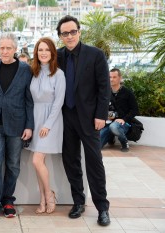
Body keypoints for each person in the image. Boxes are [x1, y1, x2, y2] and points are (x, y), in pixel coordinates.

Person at [56, 15, 111, 226]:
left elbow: (104, 88)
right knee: (71, 161)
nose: (69, 36)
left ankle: (102, 208)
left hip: (89, 119)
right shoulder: (57, 56)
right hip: (65, 117)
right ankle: (78, 202)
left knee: (94, 162)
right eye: (64, 33)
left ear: (79, 31)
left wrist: (101, 115)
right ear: (60, 36)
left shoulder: (95, 54)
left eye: (72, 32)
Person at [0, 32, 34, 223]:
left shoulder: (25, 69)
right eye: (2, 48)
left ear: (15, 49)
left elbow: (29, 100)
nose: (5, 51)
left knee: (13, 165)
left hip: (17, 124)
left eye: (8, 48)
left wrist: (30, 126)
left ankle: (8, 201)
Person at [27, 37, 66, 214]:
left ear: (52, 53)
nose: (43, 53)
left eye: (46, 50)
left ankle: (49, 194)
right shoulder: (33, 73)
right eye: (40, 50)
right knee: (38, 162)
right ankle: (42, 198)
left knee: (37, 159)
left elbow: (58, 102)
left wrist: (48, 125)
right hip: (35, 118)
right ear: (36, 53)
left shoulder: (58, 74)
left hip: (51, 120)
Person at [100, 68, 139, 152]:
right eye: (110, 77)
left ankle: (125, 143)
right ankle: (111, 137)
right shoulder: (105, 92)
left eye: (114, 77)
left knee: (114, 126)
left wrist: (123, 119)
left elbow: (135, 110)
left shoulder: (128, 93)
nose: (111, 79)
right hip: (108, 123)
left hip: (123, 124)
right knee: (97, 146)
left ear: (120, 78)